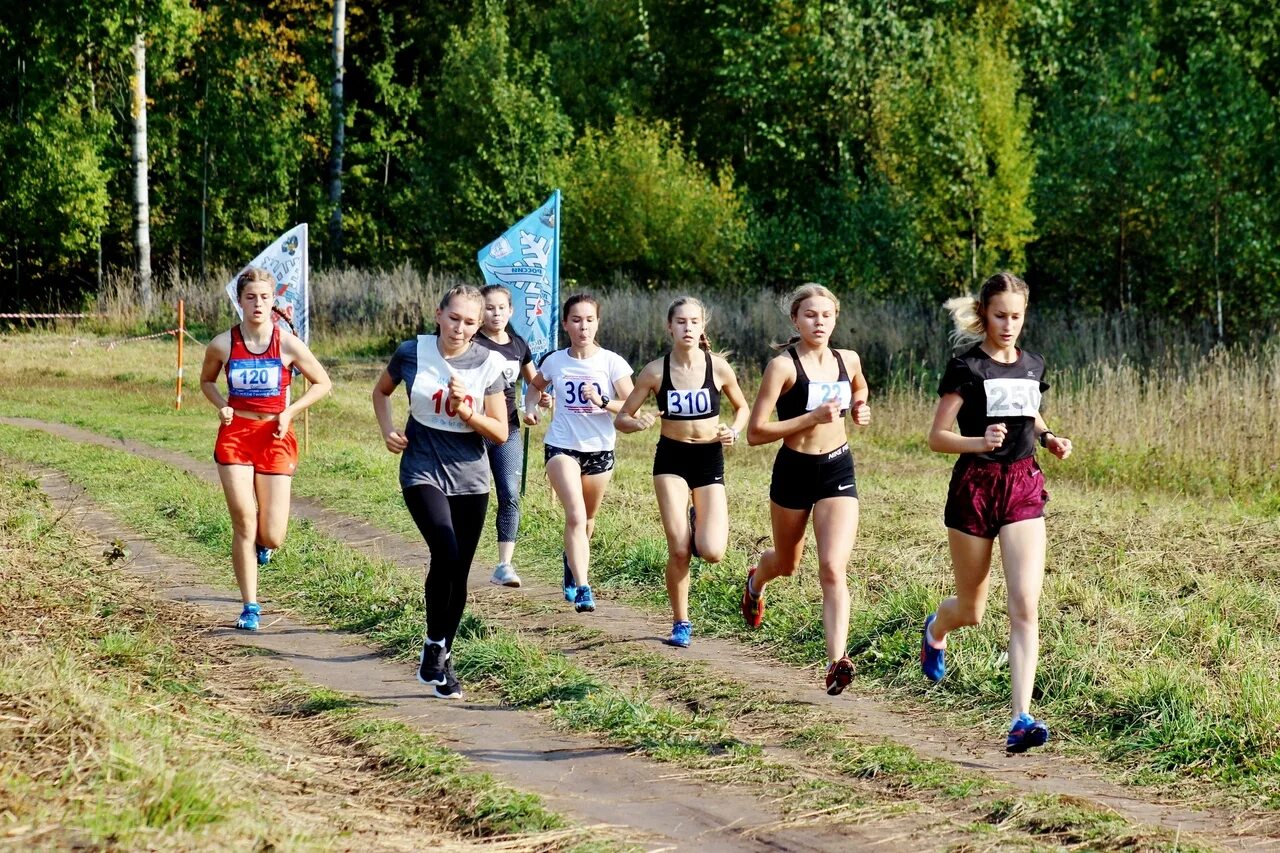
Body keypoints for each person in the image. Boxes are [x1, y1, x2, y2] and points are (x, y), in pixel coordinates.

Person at [920, 271, 1073, 752]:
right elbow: (936, 437)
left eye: (1017, 316)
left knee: (1025, 605)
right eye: (1000, 315)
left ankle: (1021, 718)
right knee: (972, 610)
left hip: (1024, 486)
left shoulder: (1032, 364)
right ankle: (937, 627)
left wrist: (1048, 438)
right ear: (985, 314)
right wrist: (978, 441)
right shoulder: (966, 367)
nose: (1009, 325)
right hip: (976, 487)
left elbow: (1031, 410)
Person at [372, 285, 509, 700]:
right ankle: (435, 644)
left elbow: (501, 433)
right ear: (438, 314)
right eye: (454, 318)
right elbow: (381, 391)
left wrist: (468, 412)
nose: (460, 328)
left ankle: (440, 655)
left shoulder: (490, 363)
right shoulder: (411, 352)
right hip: (422, 469)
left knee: (459, 572)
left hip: (470, 477)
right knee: (445, 553)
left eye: (470, 322)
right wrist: (388, 431)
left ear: (479, 324)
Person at [739, 283, 872, 696]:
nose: (819, 322)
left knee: (833, 567)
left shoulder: (846, 359)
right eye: (810, 315)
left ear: (836, 319)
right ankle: (756, 580)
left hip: (837, 468)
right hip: (794, 469)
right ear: (795, 320)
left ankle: (836, 662)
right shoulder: (783, 367)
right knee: (786, 563)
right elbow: (757, 433)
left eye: (826, 315)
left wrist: (861, 407)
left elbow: (860, 388)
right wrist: (810, 418)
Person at [200, 266, 332, 631]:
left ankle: (265, 545)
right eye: (250, 297)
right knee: (243, 519)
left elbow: (322, 383)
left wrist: (290, 411)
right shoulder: (223, 343)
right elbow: (207, 381)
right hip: (236, 434)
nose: (258, 304)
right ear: (239, 301)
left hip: (275, 434)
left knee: (272, 533)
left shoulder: (287, 342)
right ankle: (250, 606)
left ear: (274, 302)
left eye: (264, 297)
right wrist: (221, 404)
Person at [615, 297, 749, 648]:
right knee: (678, 549)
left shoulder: (718, 368)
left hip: (709, 460)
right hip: (671, 461)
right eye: (681, 322)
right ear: (669, 327)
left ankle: (695, 521)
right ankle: (681, 621)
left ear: (703, 326)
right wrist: (638, 422)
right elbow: (622, 418)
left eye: (694, 322)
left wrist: (733, 430)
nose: (688, 328)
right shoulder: (655, 371)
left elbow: (743, 408)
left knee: (712, 551)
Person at [523, 294, 634, 614]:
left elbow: (630, 406)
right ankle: (584, 587)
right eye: (576, 320)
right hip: (562, 446)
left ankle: (571, 565)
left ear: (597, 323)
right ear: (565, 324)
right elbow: (535, 388)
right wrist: (530, 409)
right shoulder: (555, 360)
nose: (583, 326)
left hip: (600, 449)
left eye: (589, 320)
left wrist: (601, 401)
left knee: (587, 520)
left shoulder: (612, 362)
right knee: (575, 515)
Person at [472, 284, 547, 588]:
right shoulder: (471, 342)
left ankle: (504, 565)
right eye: (489, 308)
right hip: (472, 428)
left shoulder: (518, 345)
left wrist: (540, 402)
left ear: (511, 310)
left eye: (502, 308)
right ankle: (457, 554)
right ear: (480, 312)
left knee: (510, 494)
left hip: (508, 429)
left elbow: (536, 383)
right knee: (472, 495)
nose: (496, 313)